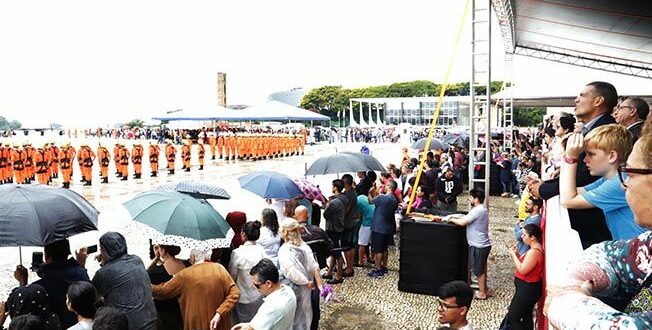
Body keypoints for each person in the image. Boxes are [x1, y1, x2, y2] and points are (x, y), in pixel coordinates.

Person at [544, 123, 652, 328]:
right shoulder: (609, 181)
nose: (626, 182)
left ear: (611, 156)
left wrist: (567, 303)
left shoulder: (615, 184)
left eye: (630, 173)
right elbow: (609, 255)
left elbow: (567, 198)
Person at [529, 82, 617, 249]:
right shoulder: (593, 129)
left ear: (598, 101)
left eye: (582, 95)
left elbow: (584, 178)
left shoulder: (605, 131)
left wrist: (543, 189)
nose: (576, 100)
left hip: (594, 229)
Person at [560, 124, 645, 240]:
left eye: (591, 154)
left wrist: (571, 157)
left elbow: (568, 200)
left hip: (638, 253)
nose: (585, 160)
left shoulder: (619, 182)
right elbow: (572, 192)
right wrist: (566, 154)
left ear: (612, 156)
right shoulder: (611, 178)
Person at [10, 239, 90, 329]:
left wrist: (22, 282)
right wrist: (81, 265)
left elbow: (26, 306)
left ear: (46, 256)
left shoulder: (41, 287)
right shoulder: (82, 273)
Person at [83, 232, 157, 330]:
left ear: (105, 251)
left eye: (101, 249)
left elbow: (87, 295)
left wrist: (81, 264)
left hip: (129, 326)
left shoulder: (104, 273)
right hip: (151, 322)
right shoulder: (136, 260)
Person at [151, 249, 240, 330]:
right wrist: (220, 313)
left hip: (195, 324)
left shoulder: (184, 275)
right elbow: (235, 294)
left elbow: (161, 291)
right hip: (219, 325)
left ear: (193, 257)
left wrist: (146, 284)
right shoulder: (220, 268)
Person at [278, 218, 323, 330]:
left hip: (294, 287)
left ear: (285, 232)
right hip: (307, 287)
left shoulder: (284, 250)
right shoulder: (304, 246)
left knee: (294, 316)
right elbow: (314, 266)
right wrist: (319, 286)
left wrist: (305, 281)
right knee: (305, 312)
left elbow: (291, 271)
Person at [447, 188, 491, 299]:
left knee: (478, 270)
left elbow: (463, 222)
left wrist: (451, 219)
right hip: (479, 244)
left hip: (479, 245)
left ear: (476, 199)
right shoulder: (480, 209)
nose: (469, 199)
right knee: (480, 268)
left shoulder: (478, 210)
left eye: (470, 197)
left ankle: (482, 293)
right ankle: (484, 289)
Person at [231, 259, 297, 330]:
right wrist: (249, 324)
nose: (257, 289)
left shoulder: (271, 307)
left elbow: (253, 328)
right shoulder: (289, 291)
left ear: (268, 283)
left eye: (257, 286)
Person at [505, 224, 544, 330]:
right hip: (527, 288)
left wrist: (513, 255)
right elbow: (526, 265)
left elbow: (523, 269)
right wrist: (517, 254)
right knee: (526, 316)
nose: (522, 237)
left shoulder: (534, 252)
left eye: (524, 235)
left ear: (532, 237)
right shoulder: (533, 249)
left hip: (527, 289)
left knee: (513, 318)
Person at [229, 221, 268, 324]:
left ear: (243, 235)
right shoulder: (262, 251)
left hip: (243, 296)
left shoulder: (237, 253)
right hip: (259, 295)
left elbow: (232, 275)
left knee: (244, 324)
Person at [146, 244, 190, 330]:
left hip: (165, 315)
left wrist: (156, 258)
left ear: (163, 250)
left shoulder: (156, 271)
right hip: (184, 310)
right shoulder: (186, 264)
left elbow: (144, 278)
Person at [368, 180, 399, 278]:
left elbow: (371, 201)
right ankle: (384, 266)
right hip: (388, 226)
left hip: (379, 227)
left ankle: (378, 269)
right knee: (385, 248)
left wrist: (369, 192)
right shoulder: (394, 199)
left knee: (378, 249)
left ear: (389, 186)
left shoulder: (382, 198)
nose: (384, 186)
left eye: (386, 185)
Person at [322, 179, 348, 284]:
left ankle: (339, 276)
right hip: (339, 227)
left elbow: (325, 215)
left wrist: (327, 204)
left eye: (332, 186)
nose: (331, 188)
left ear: (336, 188)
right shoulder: (343, 199)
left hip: (333, 229)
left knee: (336, 252)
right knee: (333, 251)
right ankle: (329, 272)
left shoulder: (334, 202)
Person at [341, 174, 359, 278]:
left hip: (347, 223)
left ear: (345, 182)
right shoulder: (354, 191)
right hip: (354, 221)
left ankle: (348, 269)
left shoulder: (347, 195)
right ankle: (350, 266)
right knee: (351, 245)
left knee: (346, 246)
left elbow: (346, 210)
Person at [357, 184, 376, 265]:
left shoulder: (357, 201)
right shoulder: (363, 197)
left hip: (367, 222)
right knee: (373, 242)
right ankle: (371, 258)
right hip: (375, 220)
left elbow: (358, 215)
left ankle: (360, 261)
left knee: (362, 242)